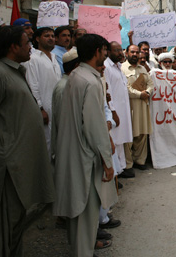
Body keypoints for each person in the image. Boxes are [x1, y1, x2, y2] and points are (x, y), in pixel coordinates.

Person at [0, 25, 54, 256]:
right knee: (1, 225)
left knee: (16, 224)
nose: (30, 47)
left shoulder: (16, 71)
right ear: (12, 47)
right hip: (5, 165)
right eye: (27, 42)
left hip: (18, 164)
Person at [53, 34, 117, 256]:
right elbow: (94, 127)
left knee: (78, 211)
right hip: (85, 157)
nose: (106, 55)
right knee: (86, 213)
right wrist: (107, 162)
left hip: (73, 154)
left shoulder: (76, 76)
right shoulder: (90, 81)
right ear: (98, 51)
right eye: (105, 51)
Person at [26, 27, 62, 153]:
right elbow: (32, 84)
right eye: (47, 36)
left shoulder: (54, 57)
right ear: (37, 39)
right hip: (44, 110)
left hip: (57, 108)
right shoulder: (33, 59)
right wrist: (40, 108)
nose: (51, 38)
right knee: (45, 145)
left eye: (52, 36)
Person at [121, 44, 154, 172]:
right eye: (132, 52)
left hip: (142, 105)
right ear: (127, 53)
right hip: (129, 106)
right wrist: (140, 94)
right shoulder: (122, 68)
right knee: (129, 136)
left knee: (142, 134)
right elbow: (125, 88)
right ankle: (128, 164)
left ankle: (139, 160)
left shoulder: (142, 69)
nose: (135, 54)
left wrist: (148, 92)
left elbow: (150, 83)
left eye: (137, 52)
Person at [104, 42, 133, 175]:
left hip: (123, 110)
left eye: (120, 50)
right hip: (114, 112)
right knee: (115, 141)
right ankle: (115, 172)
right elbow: (107, 92)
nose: (120, 53)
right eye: (116, 50)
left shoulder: (118, 66)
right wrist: (113, 112)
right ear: (108, 52)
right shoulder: (106, 67)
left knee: (121, 140)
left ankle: (121, 168)